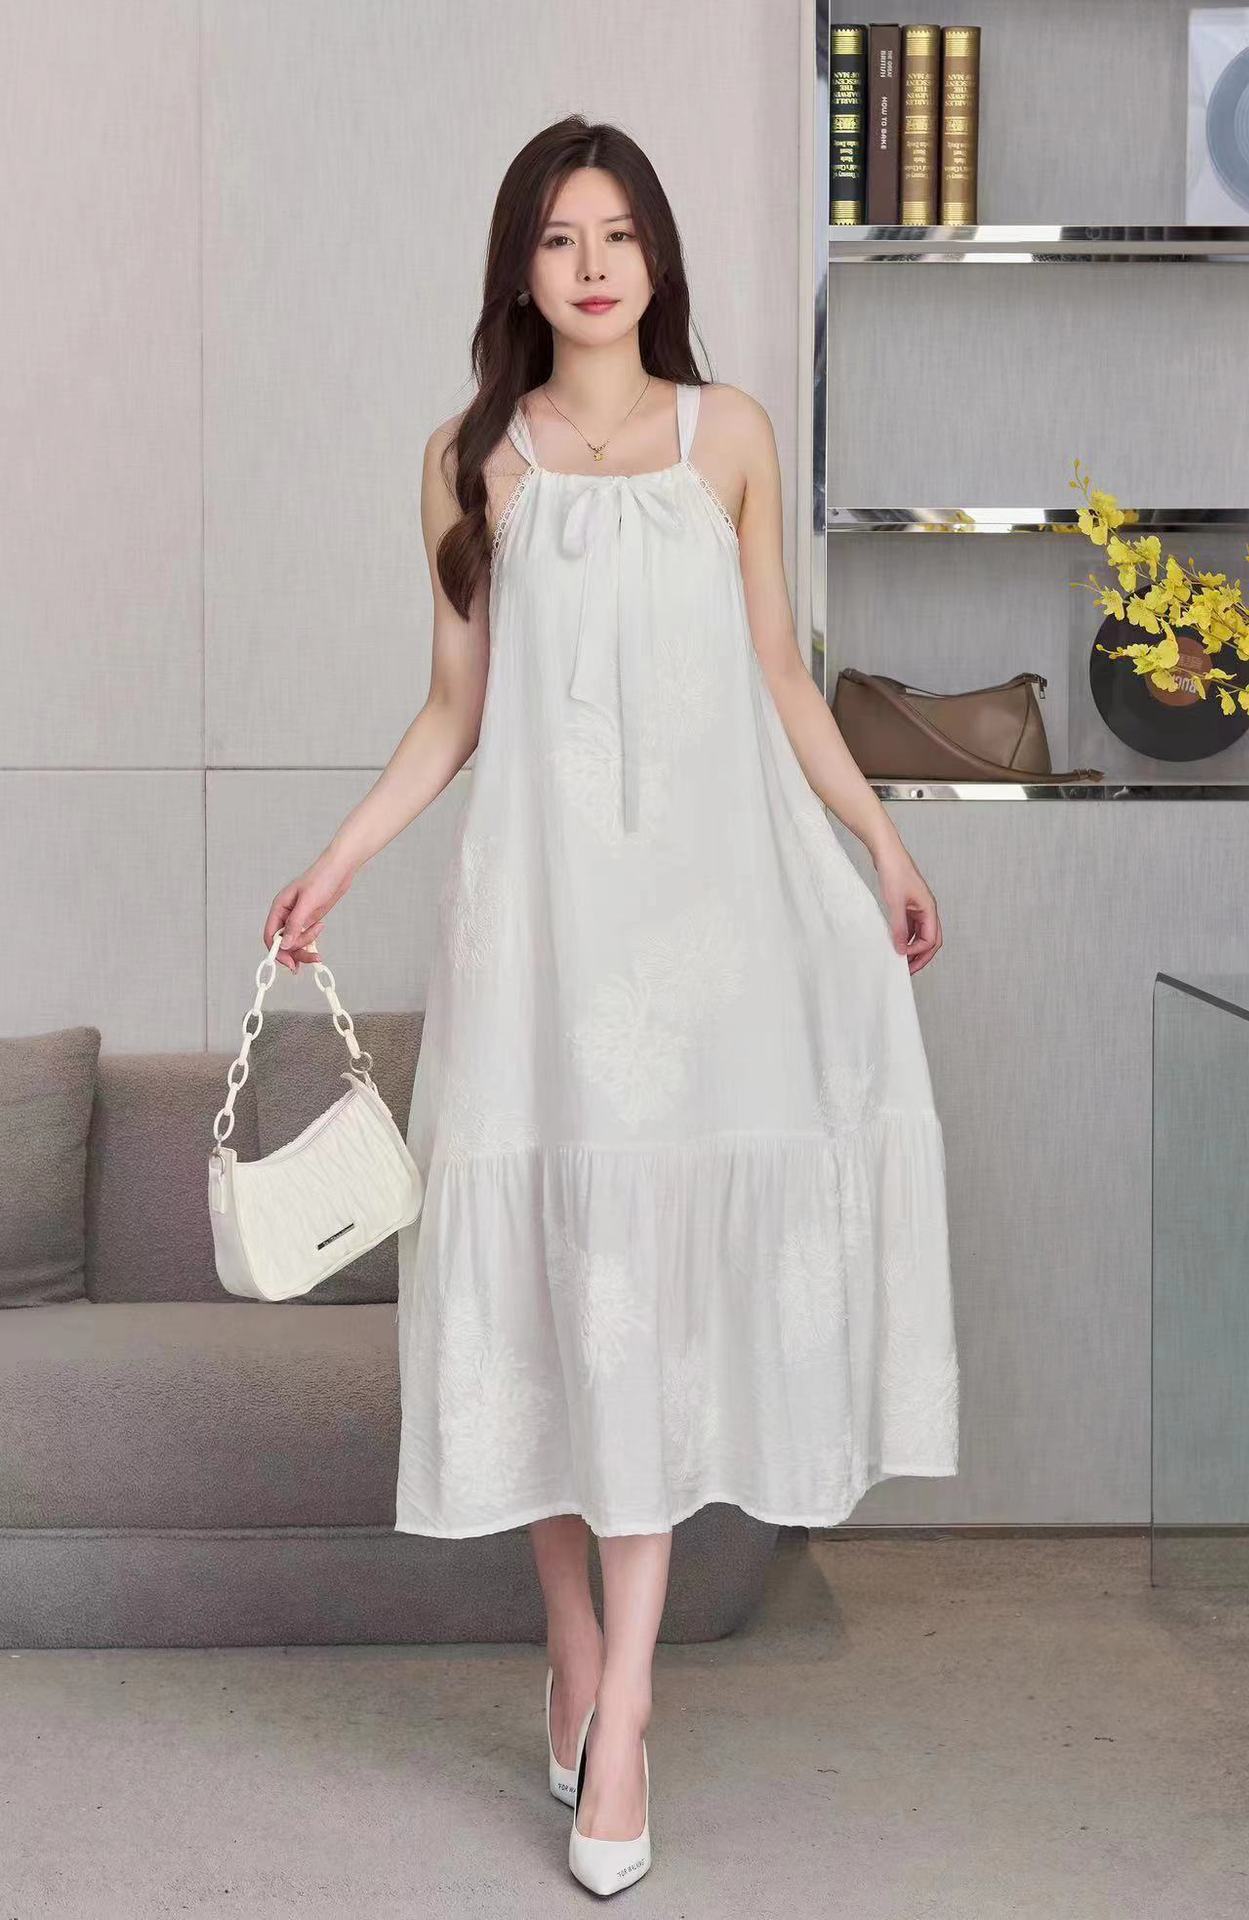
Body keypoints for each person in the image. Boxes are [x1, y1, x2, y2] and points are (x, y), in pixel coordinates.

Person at [264, 113, 959, 1898]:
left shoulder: (730, 437)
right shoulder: (467, 463)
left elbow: (782, 676)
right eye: (560, 236)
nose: (592, 265)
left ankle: (624, 1714)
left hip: (700, 941)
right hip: (536, 939)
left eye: (619, 234)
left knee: (640, 1306)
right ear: (522, 266)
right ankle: (567, 1640)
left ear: (656, 259)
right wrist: (336, 864)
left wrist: (877, 841)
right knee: (556, 1296)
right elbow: (454, 713)